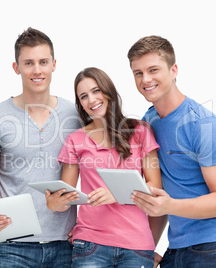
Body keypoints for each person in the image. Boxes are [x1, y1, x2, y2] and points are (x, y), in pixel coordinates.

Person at [127, 35, 216, 267]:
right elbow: (158, 196)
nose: (145, 79)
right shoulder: (149, 121)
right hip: (177, 249)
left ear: (173, 70)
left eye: (153, 70)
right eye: (138, 73)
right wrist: (145, 249)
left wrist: (169, 205)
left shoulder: (204, 125)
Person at [45, 67, 166, 267]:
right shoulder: (75, 140)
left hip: (136, 244)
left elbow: (155, 187)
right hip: (90, 244)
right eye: (83, 96)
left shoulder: (140, 131)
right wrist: (53, 203)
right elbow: (66, 196)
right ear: (80, 104)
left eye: (96, 91)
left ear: (108, 91)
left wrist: (117, 193)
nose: (91, 100)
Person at [0, 27, 80, 267]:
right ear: (16, 67)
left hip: (64, 244)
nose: (37, 70)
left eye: (43, 62)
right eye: (29, 63)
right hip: (12, 244)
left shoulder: (75, 115)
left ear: (54, 64)